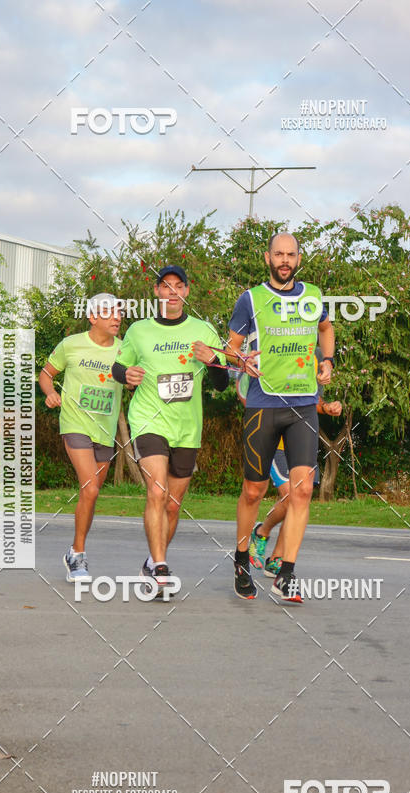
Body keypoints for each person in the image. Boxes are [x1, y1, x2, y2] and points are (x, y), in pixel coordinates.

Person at [223, 233, 335, 602]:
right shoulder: (251, 299)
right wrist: (242, 361)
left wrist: (327, 360)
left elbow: (325, 328)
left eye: (290, 254)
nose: (284, 260)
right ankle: (242, 559)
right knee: (253, 491)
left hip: (303, 404)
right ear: (267, 258)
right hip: (263, 404)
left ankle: (285, 573)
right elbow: (230, 350)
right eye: (278, 254)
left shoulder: (313, 295)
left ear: (299, 258)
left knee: (302, 490)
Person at [112, 265, 228, 596]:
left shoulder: (204, 330)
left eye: (179, 286)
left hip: (187, 427)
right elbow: (119, 366)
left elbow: (221, 384)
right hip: (149, 420)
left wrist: (212, 360)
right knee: (157, 490)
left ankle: (152, 561)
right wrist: (126, 375)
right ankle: (161, 568)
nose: (172, 291)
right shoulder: (139, 330)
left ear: (186, 291)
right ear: (157, 292)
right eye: (166, 286)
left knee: (173, 505)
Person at [39, 294, 123, 581]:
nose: (117, 317)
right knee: (90, 488)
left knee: (92, 493)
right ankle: (79, 556)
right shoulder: (71, 344)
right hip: (74, 424)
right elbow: (46, 374)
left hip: (105, 430)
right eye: (109, 312)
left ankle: (74, 550)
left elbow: (134, 379)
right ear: (92, 317)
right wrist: (50, 392)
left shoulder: (125, 350)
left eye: (119, 312)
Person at [249, 399, 343, 575]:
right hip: (276, 443)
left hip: (302, 444)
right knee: (289, 497)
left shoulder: (315, 379)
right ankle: (261, 532)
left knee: (298, 501)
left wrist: (327, 407)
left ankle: (276, 559)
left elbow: (312, 400)